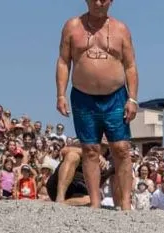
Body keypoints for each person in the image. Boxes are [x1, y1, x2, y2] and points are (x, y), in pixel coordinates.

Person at [56, 0, 139, 210]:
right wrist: (60, 95)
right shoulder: (72, 26)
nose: (99, 3)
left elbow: (130, 66)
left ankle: (126, 204)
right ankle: (95, 203)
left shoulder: (121, 29)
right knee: (90, 149)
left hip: (116, 97)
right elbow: (64, 61)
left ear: (111, 1)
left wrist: (133, 98)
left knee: (121, 148)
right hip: (83, 96)